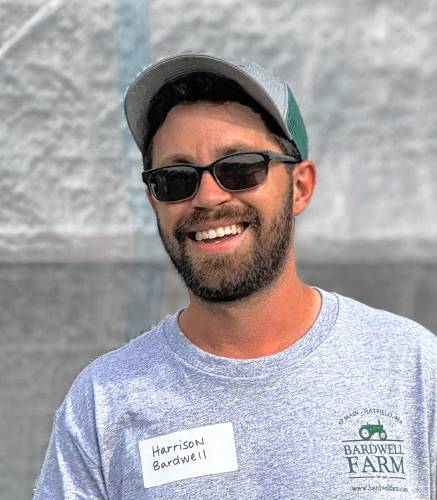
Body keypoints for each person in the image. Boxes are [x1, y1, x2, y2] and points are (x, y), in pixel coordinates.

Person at [34, 53, 436, 499]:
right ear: (155, 203)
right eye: (175, 178)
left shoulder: (412, 368)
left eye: (240, 168)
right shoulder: (102, 403)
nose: (208, 196)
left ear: (300, 187)